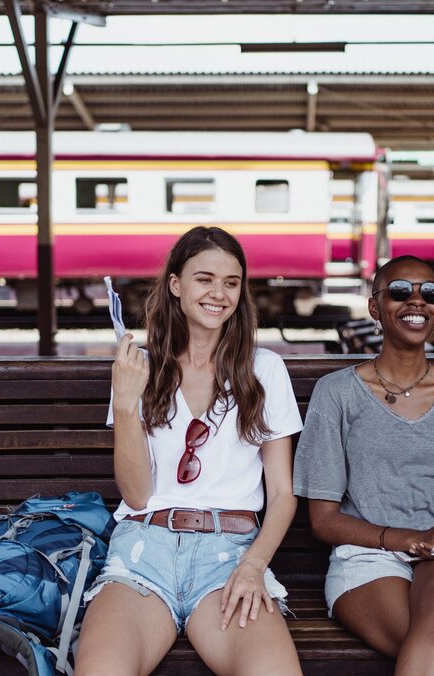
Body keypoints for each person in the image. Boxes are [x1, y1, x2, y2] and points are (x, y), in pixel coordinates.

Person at [74, 227, 304, 676]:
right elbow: (138, 495)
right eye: (204, 279)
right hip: (143, 550)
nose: (219, 293)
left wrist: (254, 566)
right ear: (176, 285)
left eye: (231, 282)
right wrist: (125, 402)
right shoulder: (139, 367)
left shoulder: (265, 369)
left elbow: (281, 493)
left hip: (230, 555)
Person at [293, 254, 434, 676]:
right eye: (400, 292)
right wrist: (414, 538)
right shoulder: (337, 394)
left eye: (429, 293)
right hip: (366, 558)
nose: (417, 302)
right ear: (375, 307)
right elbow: (324, 521)